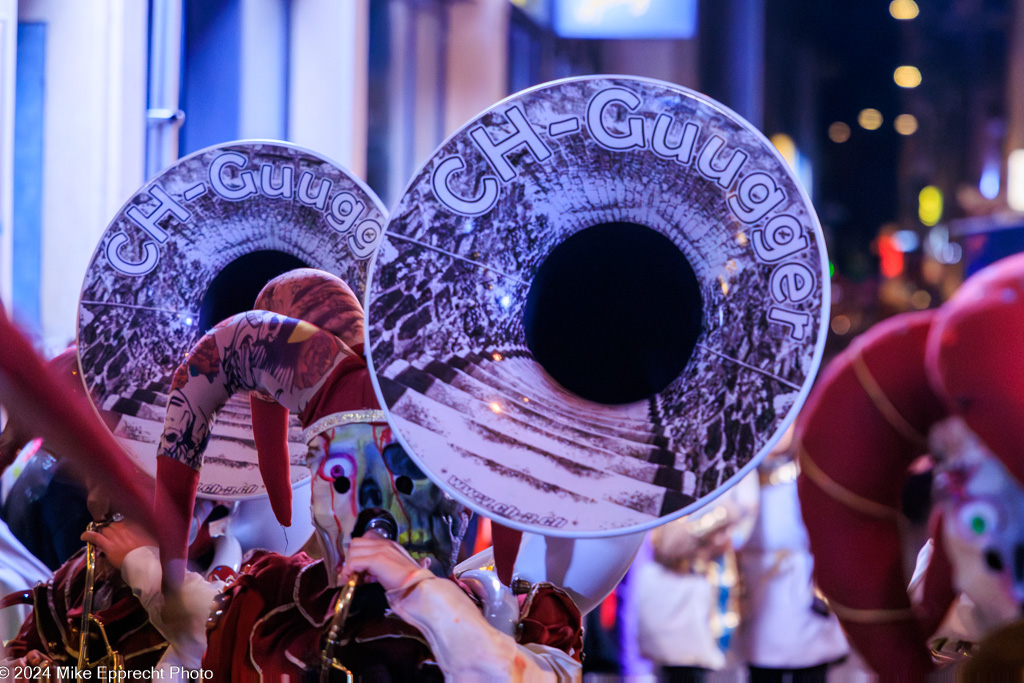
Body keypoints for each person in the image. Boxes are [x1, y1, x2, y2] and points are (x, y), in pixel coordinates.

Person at [135, 269, 584, 680]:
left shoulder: (514, 619)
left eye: (405, 486)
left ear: (460, 498)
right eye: (341, 481)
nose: (374, 519)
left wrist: (420, 592)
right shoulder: (266, 608)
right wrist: (154, 577)